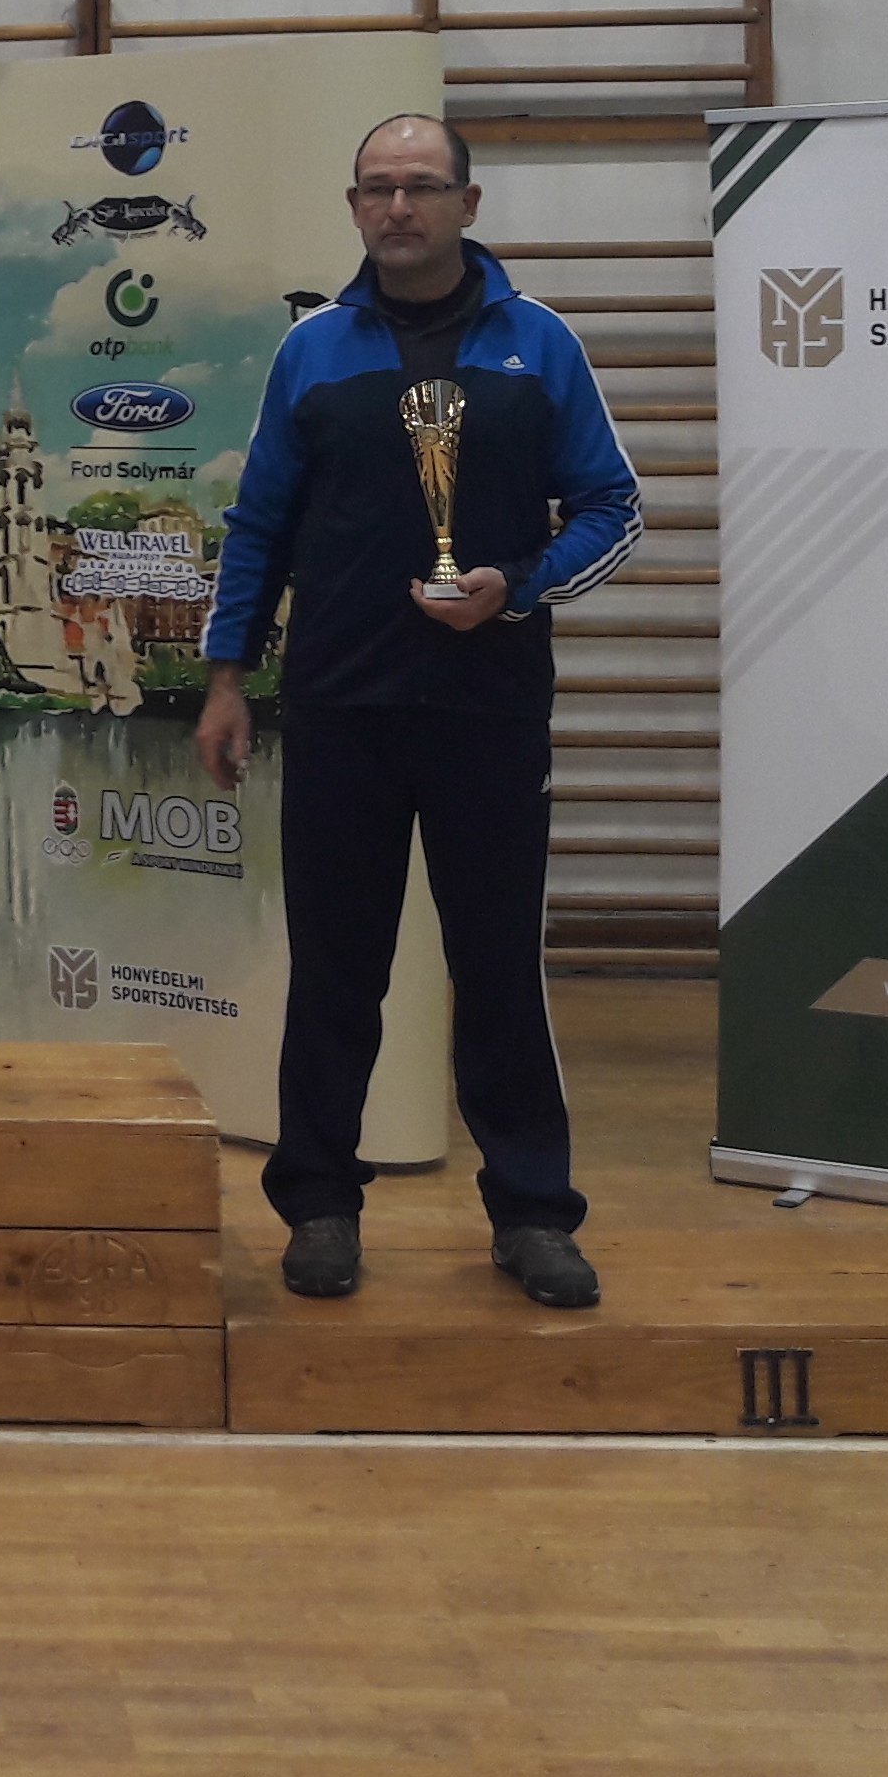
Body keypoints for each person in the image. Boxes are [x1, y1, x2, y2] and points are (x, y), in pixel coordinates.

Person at [196, 112, 640, 1313]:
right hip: (340, 707)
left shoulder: (539, 343)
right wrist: (228, 679)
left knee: (496, 973)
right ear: (355, 208)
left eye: (422, 187)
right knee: (335, 973)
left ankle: (533, 1212)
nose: (399, 207)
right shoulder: (312, 351)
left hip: (489, 712)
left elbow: (613, 508)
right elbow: (258, 526)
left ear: (468, 205)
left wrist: (519, 587)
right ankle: (320, 1205)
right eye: (378, 188)